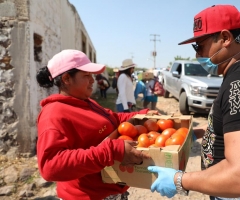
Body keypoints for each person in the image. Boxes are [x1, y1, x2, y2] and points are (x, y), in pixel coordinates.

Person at [147, 5, 240, 200]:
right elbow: (238, 127)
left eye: (199, 45)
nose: (198, 54)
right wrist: (199, 133)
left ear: (225, 38)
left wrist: (180, 180)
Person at [35, 49, 158, 200]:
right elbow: (50, 167)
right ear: (66, 79)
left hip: (112, 191)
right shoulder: (53, 114)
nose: (93, 80)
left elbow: (113, 119)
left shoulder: (86, 102)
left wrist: (141, 115)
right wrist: (110, 152)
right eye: (86, 75)